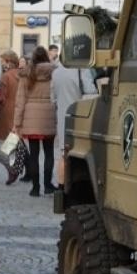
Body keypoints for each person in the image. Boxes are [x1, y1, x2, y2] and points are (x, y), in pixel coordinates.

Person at [14, 46, 58, 197]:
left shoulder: (27, 74)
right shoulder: (54, 73)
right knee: (49, 153)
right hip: (49, 114)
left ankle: (35, 188)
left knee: (34, 154)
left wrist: (17, 123)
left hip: (30, 117)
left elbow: (20, 101)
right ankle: (47, 185)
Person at [51, 60, 99, 191]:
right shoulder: (82, 70)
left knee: (63, 152)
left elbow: (53, 99)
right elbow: (91, 91)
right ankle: (76, 187)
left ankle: (60, 187)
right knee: (82, 151)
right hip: (80, 115)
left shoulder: (56, 72)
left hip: (63, 116)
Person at [0, 49, 23, 185]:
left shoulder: (6, 76)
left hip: (7, 109)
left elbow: (2, 95)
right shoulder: (22, 75)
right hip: (20, 109)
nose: (1, 63)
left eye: (2, 60)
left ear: (8, 61)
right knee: (17, 140)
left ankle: (13, 169)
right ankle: (21, 168)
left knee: (8, 144)